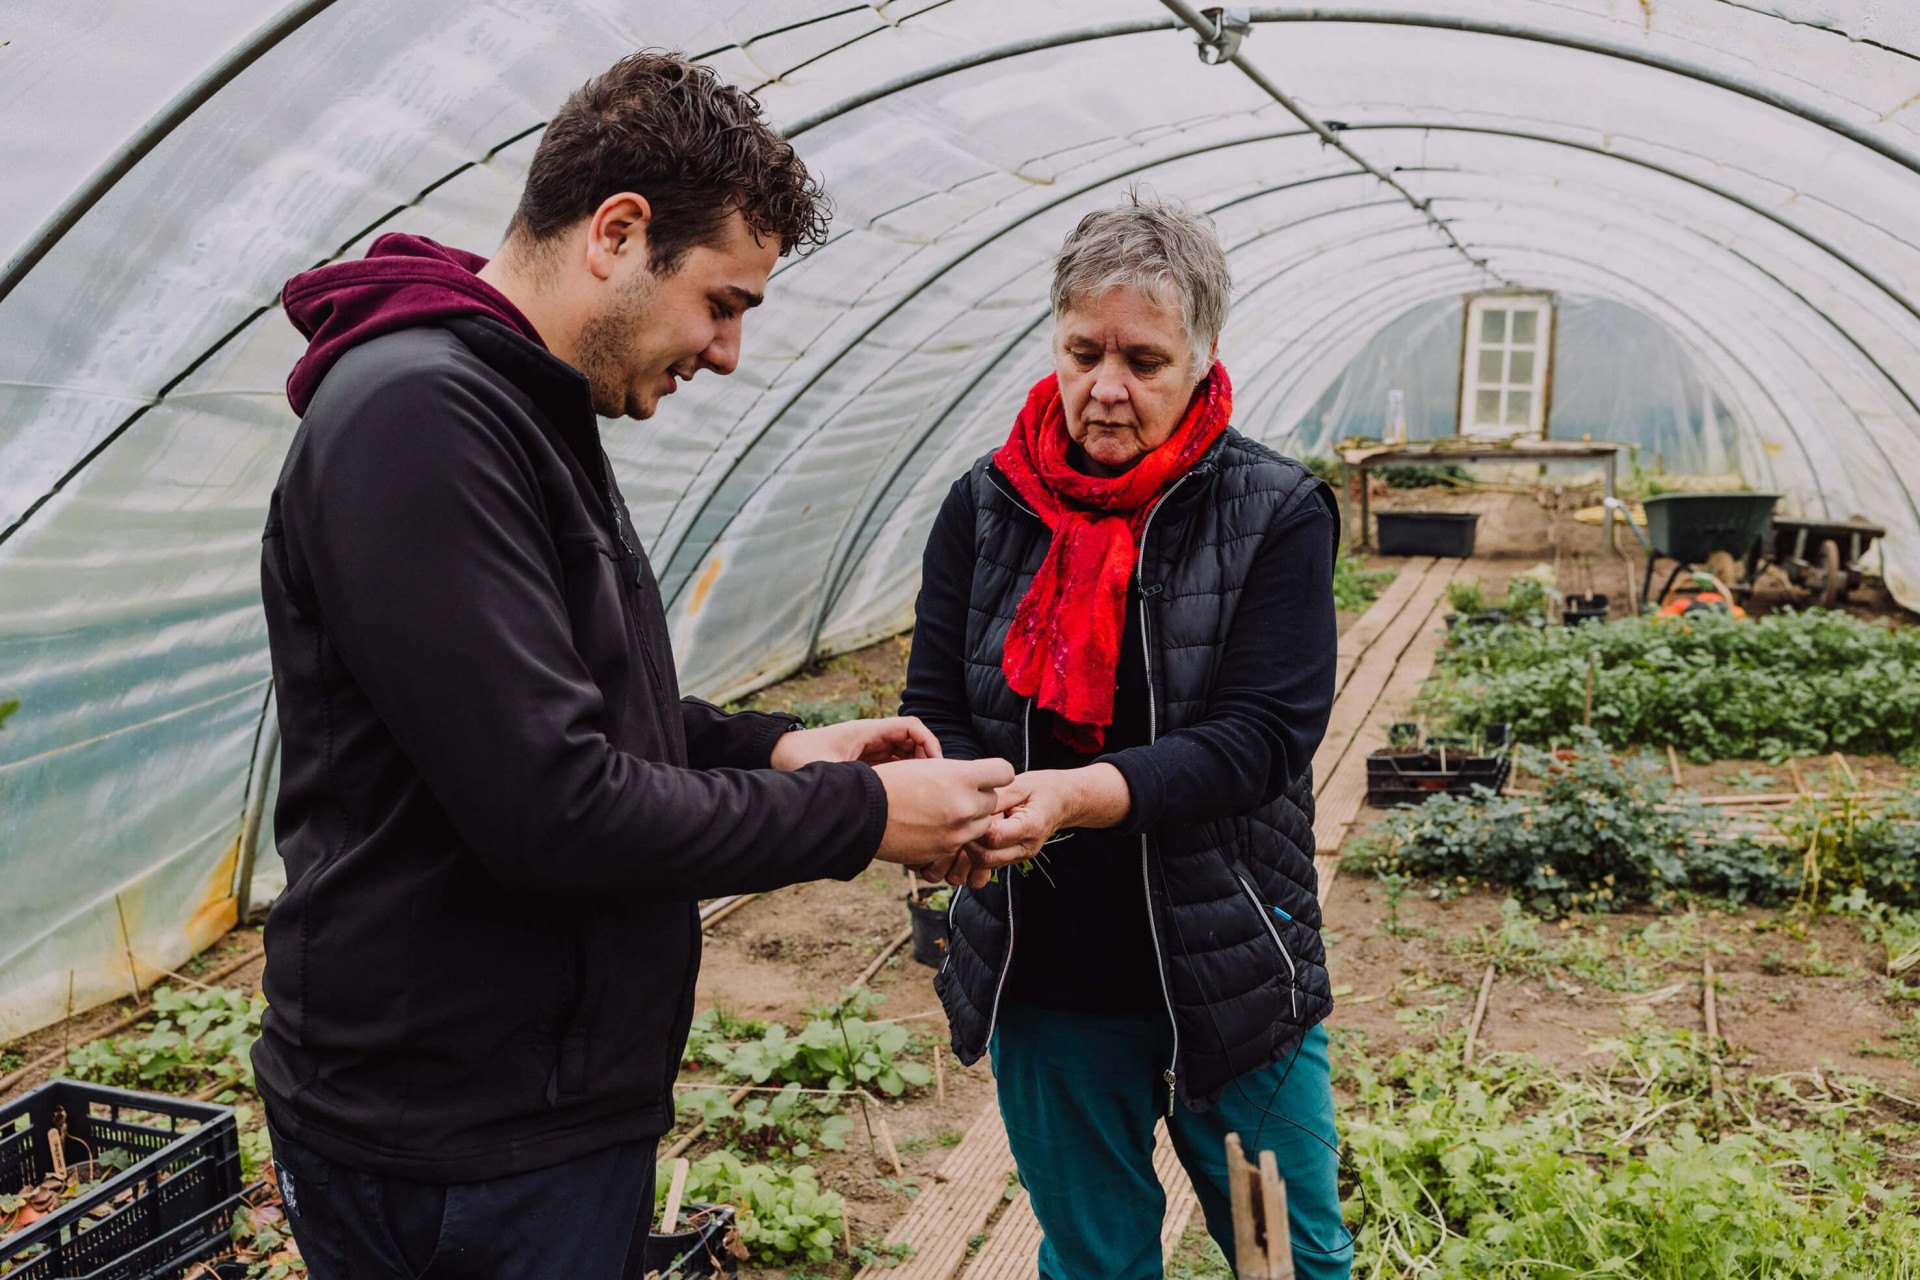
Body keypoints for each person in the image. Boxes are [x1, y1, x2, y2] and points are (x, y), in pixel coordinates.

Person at [254, 52, 1019, 1279]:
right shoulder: (420, 417)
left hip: (531, 1107)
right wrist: (864, 811)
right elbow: (552, 806)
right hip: (457, 1135)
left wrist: (776, 746)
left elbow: (579, 702)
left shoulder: (520, 406)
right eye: (724, 302)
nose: (724, 352)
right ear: (618, 233)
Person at [902, 196, 1351, 1278]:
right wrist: (957, 802)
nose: (1107, 387)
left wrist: (1068, 794)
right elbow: (938, 702)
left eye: (1143, 358)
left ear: (1201, 357)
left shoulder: (1274, 511)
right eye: (1084, 350)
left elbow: (1262, 739)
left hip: (1230, 973)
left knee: (1280, 1255)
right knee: (1095, 1258)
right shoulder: (986, 504)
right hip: (1046, 970)